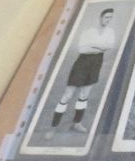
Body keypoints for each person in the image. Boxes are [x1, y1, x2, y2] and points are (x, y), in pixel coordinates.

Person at [45, 8, 116, 140]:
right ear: (100, 17)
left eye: (110, 18)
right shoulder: (88, 31)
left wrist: (93, 44)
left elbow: (109, 46)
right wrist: (100, 46)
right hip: (82, 63)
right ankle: (53, 127)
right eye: (106, 17)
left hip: (96, 63)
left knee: (84, 95)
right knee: (67, 95)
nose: (108, 20)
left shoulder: (110, 31)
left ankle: (76, 123)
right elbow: (82, 49)